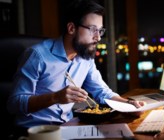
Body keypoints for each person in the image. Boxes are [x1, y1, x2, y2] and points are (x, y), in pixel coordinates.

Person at [7, 0, 145, 130]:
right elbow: (14, 104)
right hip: (34, 131)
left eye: (100, 31)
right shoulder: (37, 56)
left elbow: (102, 92)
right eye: (92, 30)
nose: (98, 37)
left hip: (68, 128)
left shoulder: (85, 58)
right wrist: (55, 97)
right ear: (71, 28)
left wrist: (129, 105)